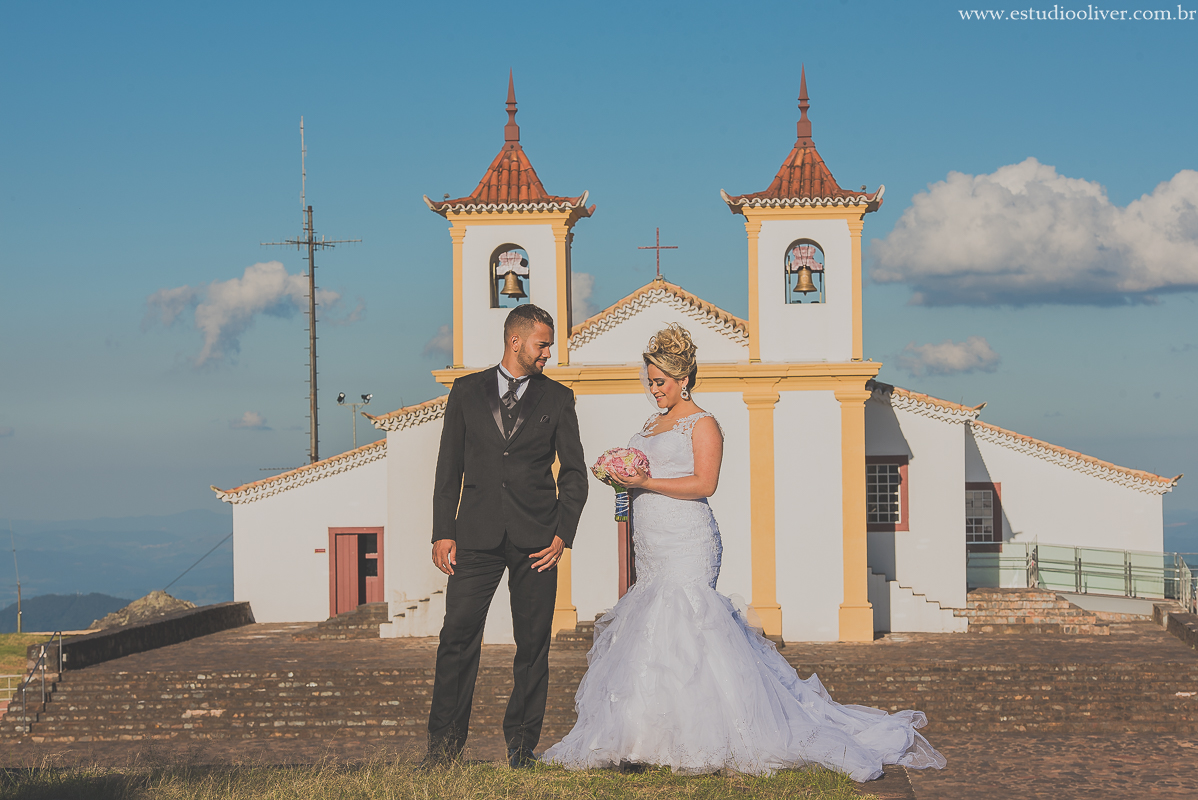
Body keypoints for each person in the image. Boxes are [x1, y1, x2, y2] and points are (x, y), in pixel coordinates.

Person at [542, 324, 945, 782]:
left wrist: (642, 482)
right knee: (650, 632)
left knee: (686, 626)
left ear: (683, 379)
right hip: (650, 539)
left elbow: (704, 483)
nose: (653, 390)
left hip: (688, 540)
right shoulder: (650, 425)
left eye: (661, 382)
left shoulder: (704, 423)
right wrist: (621, 482)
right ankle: (641, 736)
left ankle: (703, 735)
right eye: (649, 382)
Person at [425, 304, 588, 769]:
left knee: (533, 645)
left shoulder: (558, 398)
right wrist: (442, 532)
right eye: (543, 344)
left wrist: (563, 534)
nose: (548, 354)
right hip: (474, 535)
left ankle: (522, 749)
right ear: (515, 341)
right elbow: (447, 468)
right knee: (456, 639)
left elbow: (575, 474)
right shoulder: (465, 391)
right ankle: (442, 752)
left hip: (537, 540)